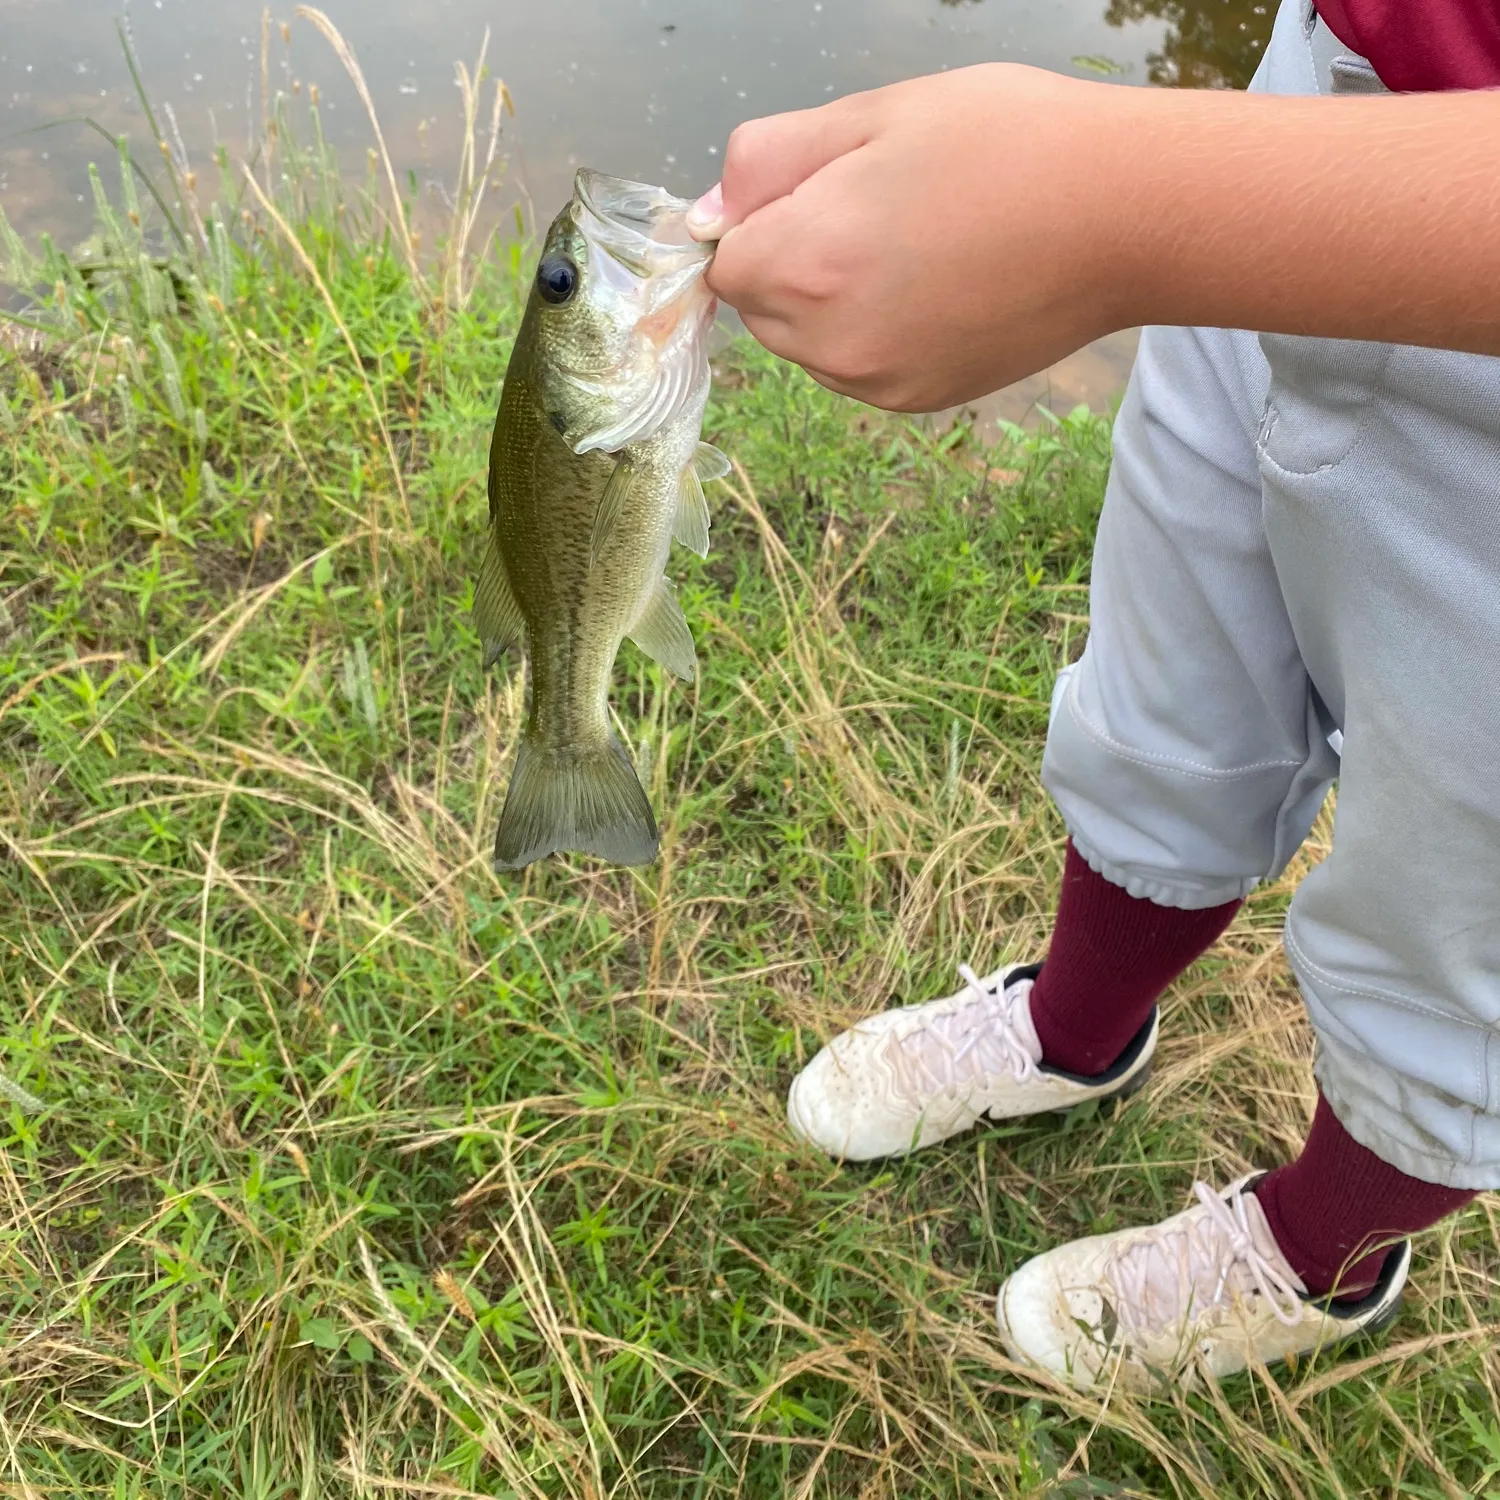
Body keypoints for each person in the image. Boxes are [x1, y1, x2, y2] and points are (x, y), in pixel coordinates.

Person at [685, 0, 1500, 1394]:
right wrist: (1152, 186)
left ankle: (1326, 1254)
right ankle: (1072, 1033)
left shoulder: (1126, 198)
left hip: (1275, 208)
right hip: (1303, 101)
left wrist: (1101, 203)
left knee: (1457, 900)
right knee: (1168, 684)